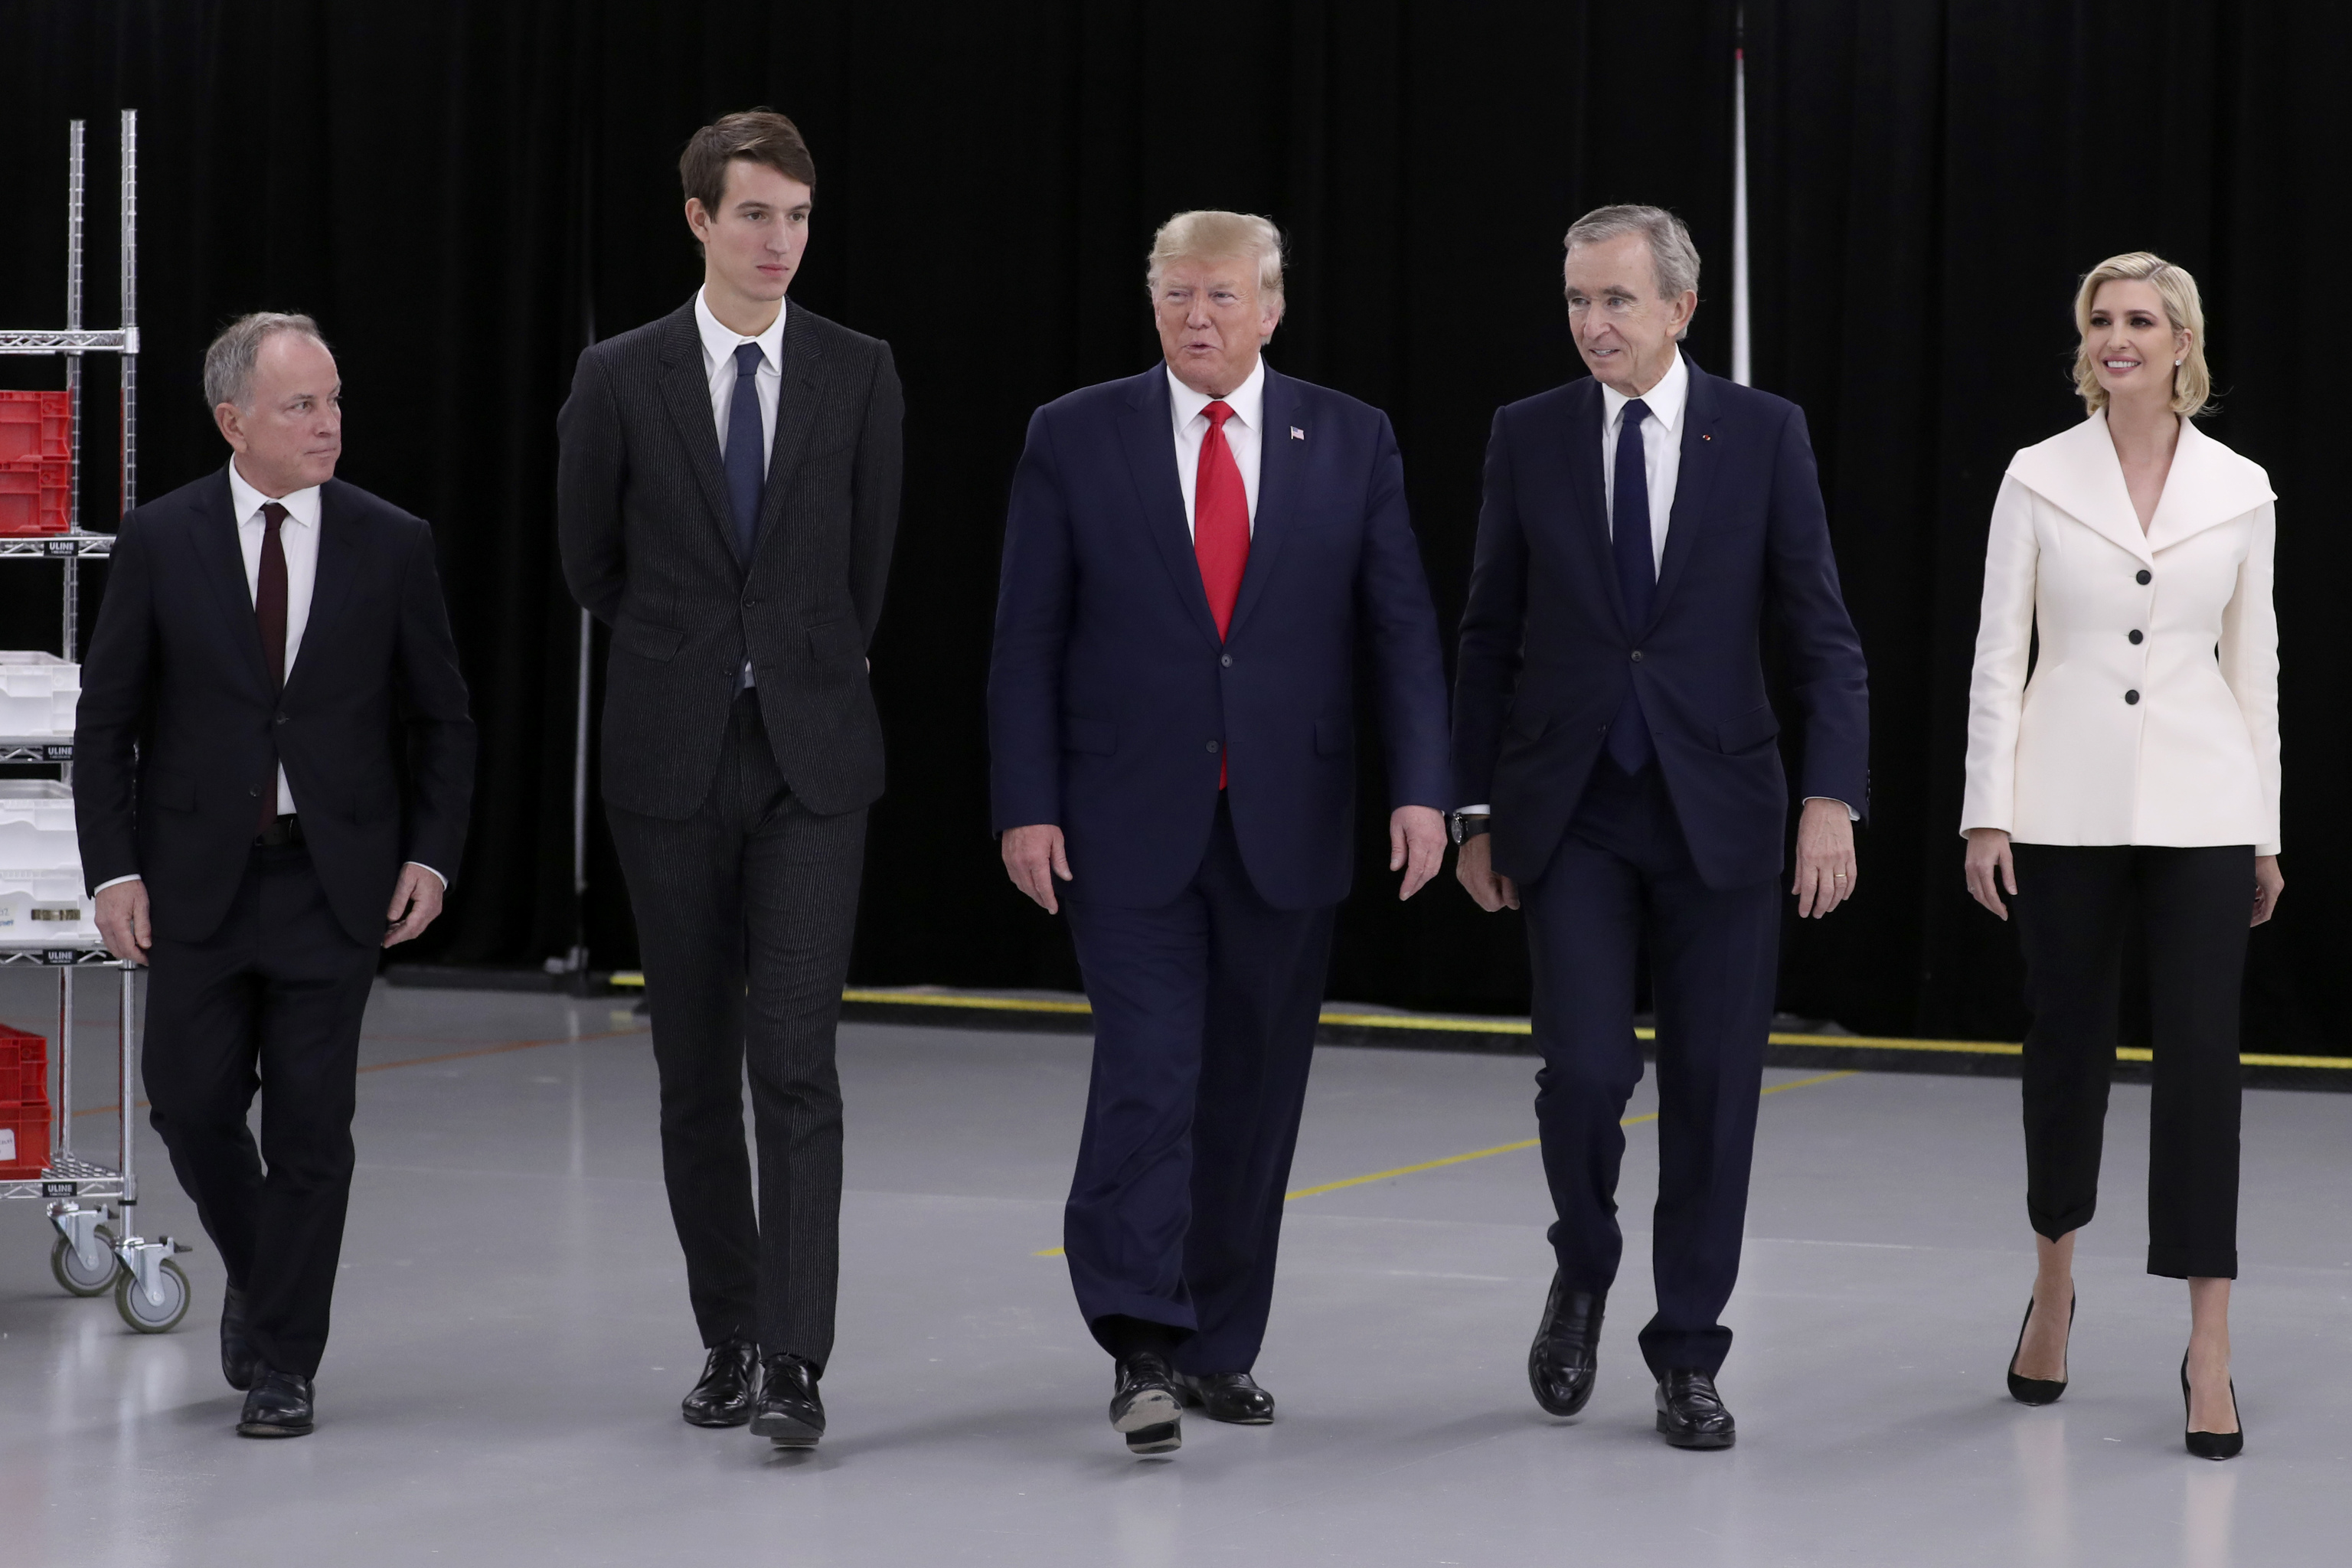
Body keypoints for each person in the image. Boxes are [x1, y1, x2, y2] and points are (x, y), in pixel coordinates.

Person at [988, 211, 1451, 1455]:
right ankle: (1139, 1336)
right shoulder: (1074, 436)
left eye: (1224, 294)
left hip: (1287, 819)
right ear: (1153, 304)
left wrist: (1423, 789)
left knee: (1254, 1088)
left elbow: (1400, 626)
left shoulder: (1351, 438)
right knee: (1150, 1072)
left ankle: (1217, 1346)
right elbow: (1026, 635)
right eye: (1179, 293)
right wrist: (1025, 802)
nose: (1200, 314)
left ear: (1273, 306)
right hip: (1121, 823)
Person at [1452, 206, 1868, 1450]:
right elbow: (1485, 634)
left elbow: (1820, 634)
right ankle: (1584, 1259)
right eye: (1578, 301)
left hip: (1723, 812)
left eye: (1617, 302)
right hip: (1569, 810)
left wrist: (1831, 799)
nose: (1593, 326)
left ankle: (1688, 1350)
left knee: (1713, 1092)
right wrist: (1476, 808)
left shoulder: (1765, 434)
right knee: (1583, 1071)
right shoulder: (1526, 436)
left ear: (1682, 309)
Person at [556, 109, 902, 1449]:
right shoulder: (621, 373)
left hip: (812, 759)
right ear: (699, 219)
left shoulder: (859, 370)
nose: (781, 241)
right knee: (695, 1067)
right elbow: (589, 559)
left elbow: (868, 564)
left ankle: (798, 1362)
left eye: (799, 216)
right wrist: (696, 650)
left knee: (795, 1061)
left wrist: (795, 659)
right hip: (669, 756)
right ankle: (731, 1333)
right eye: (755, 214)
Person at [74, 312, 475, 1438]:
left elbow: (445, 720)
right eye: (301, 405)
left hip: (331, 884)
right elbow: (108, 724)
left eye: (335, 400)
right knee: (192, 1106)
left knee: (312, 1130)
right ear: (232, 420)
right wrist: (113, 871)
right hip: (195, 880)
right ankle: (264, 1272)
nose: (329, 423)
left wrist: (430, 855)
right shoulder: (162, 538)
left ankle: (286, 1360)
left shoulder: (392, 541)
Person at [1962, 252, 2275, 1462]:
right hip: (2062, 801)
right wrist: (1987, 813)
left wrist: (2268, 829)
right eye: (2101, 319)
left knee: (2204, 1067)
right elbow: (2000, 654)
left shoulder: (2242, 488)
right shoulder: (2038, 475)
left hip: (2206, 804)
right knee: (2065, 1052)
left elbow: (2256, 669)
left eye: (2141, 319)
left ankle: (2210, 1346)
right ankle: (2053, 1286)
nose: (2117, 336)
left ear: (2184, 340)